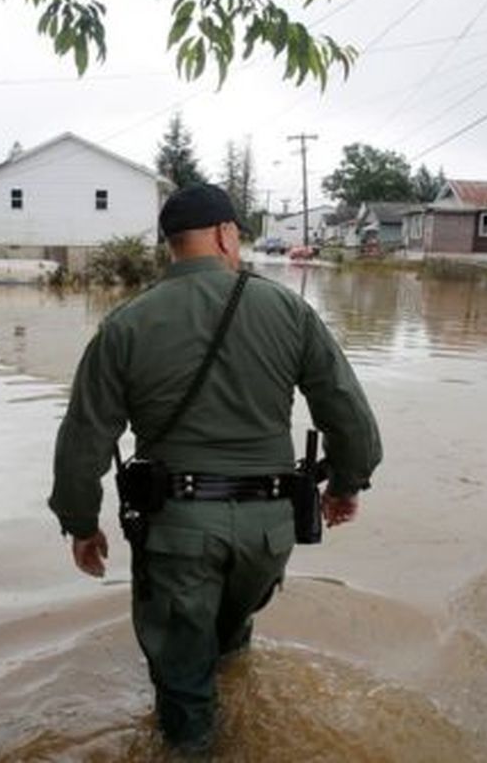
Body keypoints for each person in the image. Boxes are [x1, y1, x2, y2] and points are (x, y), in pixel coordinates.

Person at [49, 183, 382, 751]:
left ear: (171, 246)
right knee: (230, 640)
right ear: (227, 234)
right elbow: (350, 417)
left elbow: (84, 439)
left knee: (183, 685)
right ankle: (240, 717)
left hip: (178, 531)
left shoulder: (126, 325)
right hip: (271, 531)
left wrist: (81, 522)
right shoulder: (288, 310)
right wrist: (347, 483)